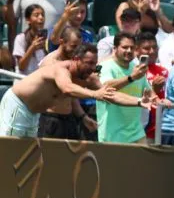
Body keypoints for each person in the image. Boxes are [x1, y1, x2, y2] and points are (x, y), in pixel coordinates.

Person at [1, 43, 151, 139]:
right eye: (89, 63)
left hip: (33, 114)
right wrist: (94, 94)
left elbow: (109, 94)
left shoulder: (88, 78)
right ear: (76, 59)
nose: (93, 68)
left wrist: (138, 101)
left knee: (26, 153)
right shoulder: (60, 69)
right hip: (17, 106)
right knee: (10, 149)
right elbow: (67, 88)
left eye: (95, 63)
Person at [97, 32, 150, 144]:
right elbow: (105, 87)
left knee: (144, 161)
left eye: (132, 47)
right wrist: (131, 77)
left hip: (136, 133)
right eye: (125, 47)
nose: (129, 51)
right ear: (115, 48)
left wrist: (159, 98)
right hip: (112, 134)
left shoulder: (137, 68)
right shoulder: (104, 66)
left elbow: (149, 92)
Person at [13, 5, 48, 75]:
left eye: (42, 15)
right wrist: (32, 48)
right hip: (23, 81)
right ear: (28, 20)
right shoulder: (20, 38)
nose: (41, 18)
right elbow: (21, 66)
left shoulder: (46, 39)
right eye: (36, 15)